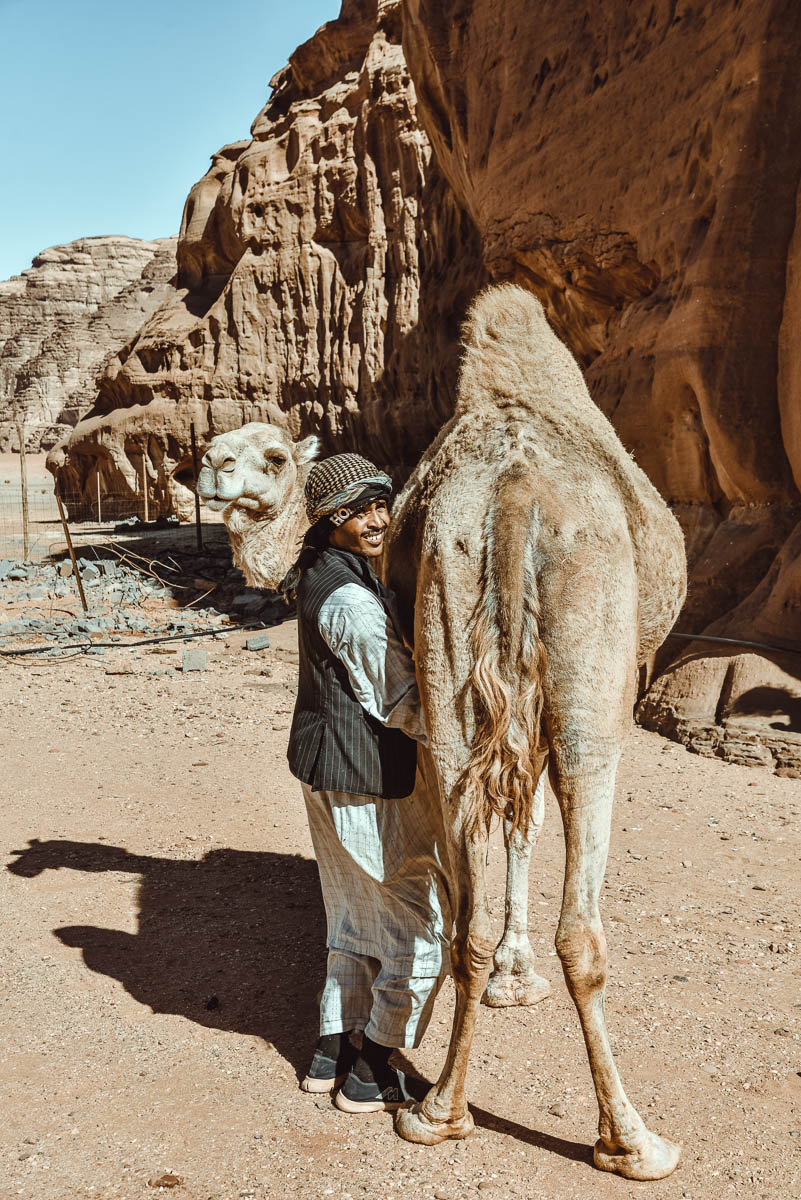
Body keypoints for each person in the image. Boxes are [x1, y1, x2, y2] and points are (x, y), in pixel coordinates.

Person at [286, 453, 452, 1113]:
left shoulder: (321, 573)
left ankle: (330, 1049)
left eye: (382, 505)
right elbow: (398, 701)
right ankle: (372, 1064)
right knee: (424, 925)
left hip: (323, 767)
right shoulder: (352, 600)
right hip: (361, 775)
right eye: (358, 511)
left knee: (352, 913)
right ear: (331, 520)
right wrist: (478, 733)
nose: (377, 520)